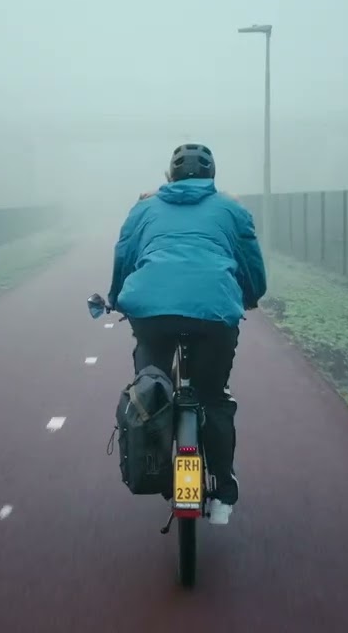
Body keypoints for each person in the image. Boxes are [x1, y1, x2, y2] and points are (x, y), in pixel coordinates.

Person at [107, 143, 267, 525]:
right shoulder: (231, 209)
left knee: (150, 389)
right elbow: (250, 264)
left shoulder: (144, 209)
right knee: (213, 397)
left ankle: (157, 465)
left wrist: (116, 298)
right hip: (214, 315)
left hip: (152, 315)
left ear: (169, 177)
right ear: (213, 177)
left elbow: (125, 258)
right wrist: (250, 296)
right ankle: (224, 491)